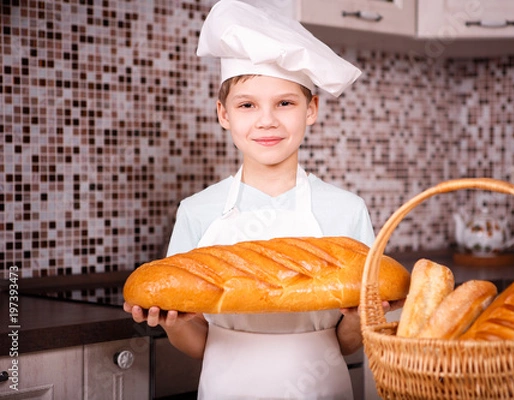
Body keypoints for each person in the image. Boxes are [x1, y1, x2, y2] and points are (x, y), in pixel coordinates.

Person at [124, 1, 400, 398]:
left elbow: (345, 343)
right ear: (224, 114)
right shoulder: (198, 211)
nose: (267, 120)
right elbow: (198, 345)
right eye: (247, 104)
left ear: (312, 110)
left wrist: (361, 319)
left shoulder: (345, 210)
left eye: (285, 103)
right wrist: (173, 322)